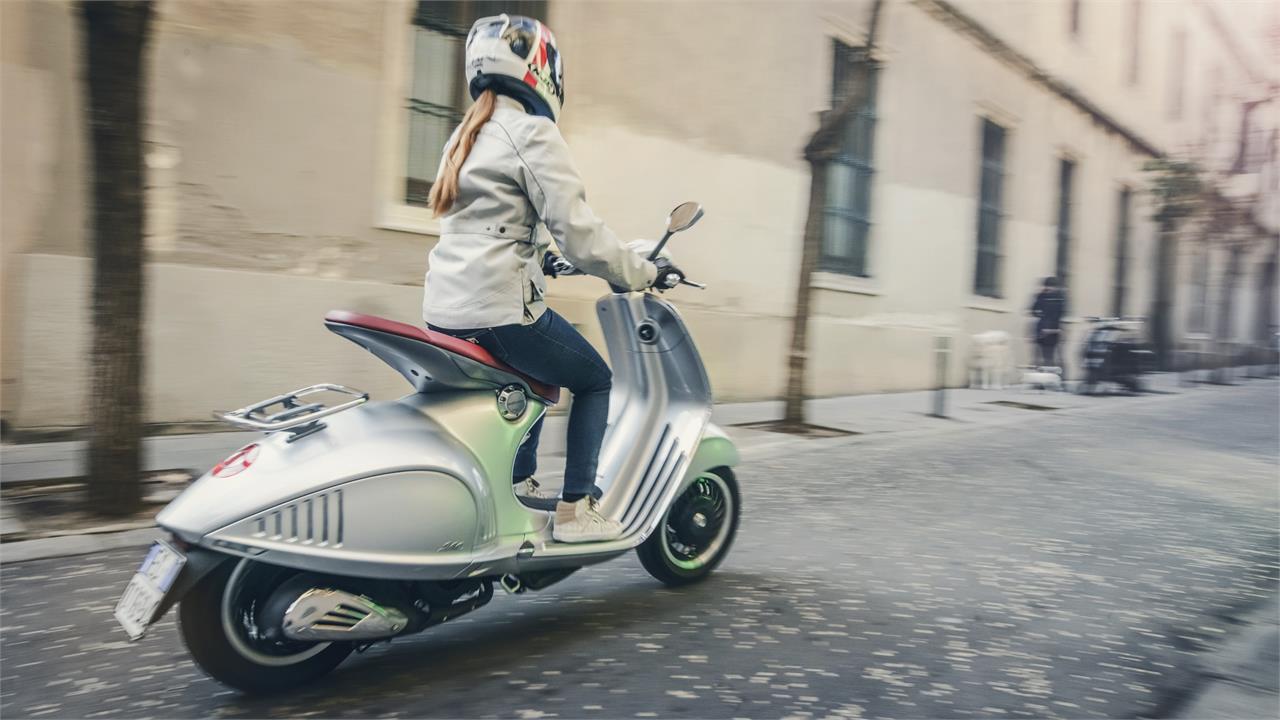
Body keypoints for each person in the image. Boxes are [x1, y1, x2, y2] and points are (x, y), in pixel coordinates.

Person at [421, 14, 685, 543]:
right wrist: (643, 271)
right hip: (498, 309)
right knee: (593, 379)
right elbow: (580, 232)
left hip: (445, 308)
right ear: (542, 68)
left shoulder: (464, 135)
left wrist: (543, 260)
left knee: (533, 376)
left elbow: (489, 226)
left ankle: (518, 483)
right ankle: (575, 512)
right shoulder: (531, 131)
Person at [1030, 276, 1066, 369]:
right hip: (1041, 329)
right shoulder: (1041, 296)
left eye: (1050, 286)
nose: (1048, 288)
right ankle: (1039, 375)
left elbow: (1060, 314)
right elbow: (1033, 310)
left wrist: (1052, 328)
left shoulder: (1059, 298)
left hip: (1053, 330)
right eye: (1047, 286)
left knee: (1049, 355)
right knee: (1037, 355)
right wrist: (1039, 314)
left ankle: (1050, 375)